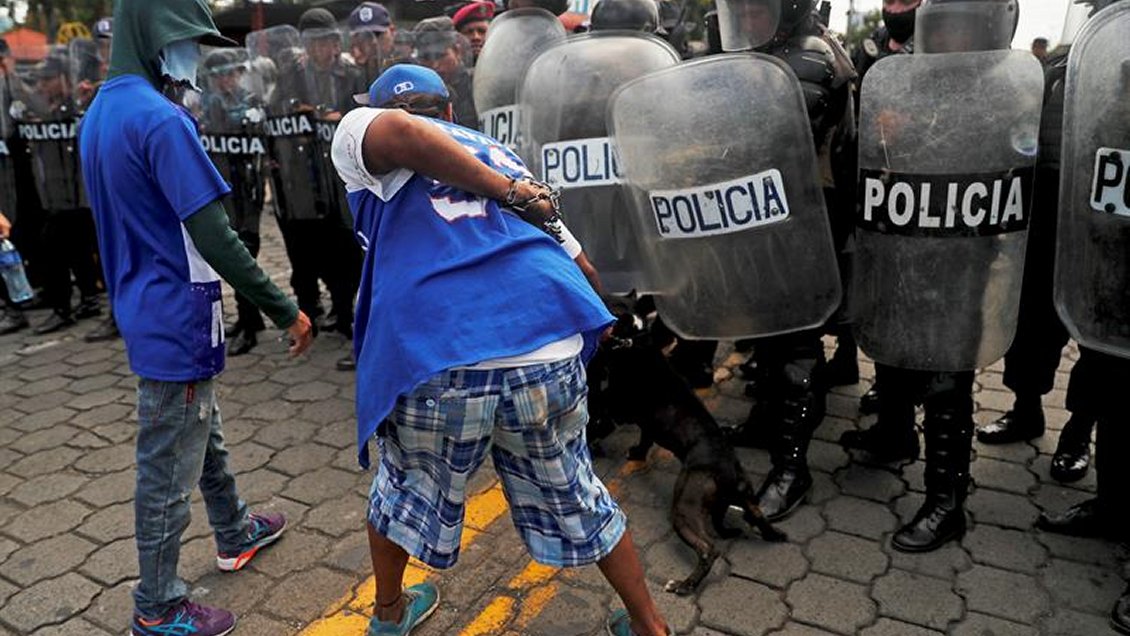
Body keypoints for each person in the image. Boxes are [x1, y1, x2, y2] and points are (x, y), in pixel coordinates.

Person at [331, 64, 669, 636]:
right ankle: (649, 625)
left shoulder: (364, 135)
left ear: (381, 109)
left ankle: (388, 615)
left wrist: (505, 192)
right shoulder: (498, 152)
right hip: (546, 347)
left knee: (402, 491)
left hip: (445, 353)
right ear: (454, 115)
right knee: (579, 492)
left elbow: (405, 136)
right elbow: (580, 265)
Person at [77, 1, 314, 634]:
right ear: (156, 34)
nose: (196, 59)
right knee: (165, 468)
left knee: (197, 427)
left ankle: (235, 529)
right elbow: (218, 237)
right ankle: (157, 607)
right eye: (189, 42)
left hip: (143, 306)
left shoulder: (99, 113)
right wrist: (284, 307)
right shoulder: (163, 121)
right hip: (176, 313)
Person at [716, 0, 856, 522]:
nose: (747, 15)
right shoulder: (772, 53)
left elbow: (765, 142)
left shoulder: (807, 60)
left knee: (795, 344)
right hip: (775, 220)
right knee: (768, 334)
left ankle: (792, 466)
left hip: (802, 225)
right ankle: (764, 422)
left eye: (758, 5)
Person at [15, 51, 104, 335]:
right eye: (41, 80)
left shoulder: (80, 104)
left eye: (49, 79)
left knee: (64, 247)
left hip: (80, 194)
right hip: (54, 196)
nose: (43, 85)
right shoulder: (43, 108)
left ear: (65, 77)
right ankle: (86, 299)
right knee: (70, 247)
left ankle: (64, 307)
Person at [200, 48, 270, 356]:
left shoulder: (251, 102)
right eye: (219, 75)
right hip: (221, 190)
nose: (226, 80)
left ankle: (250, 324)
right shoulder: (206, 105)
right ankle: (248, 320)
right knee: (232, 255)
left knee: (245, 254)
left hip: (247, 190)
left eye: (231, 73)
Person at [412, 17, 478, 130]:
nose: (435, 65)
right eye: (426, 57)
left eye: (440, 55)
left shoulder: (477, 83)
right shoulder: (415, 93)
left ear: (457, 51)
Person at [349, 1, 395, 82]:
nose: (374, 42)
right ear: (354, 40)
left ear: (392, 31)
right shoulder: (349, 75)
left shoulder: (409, 65)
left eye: (378, 34)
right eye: (365, 37)